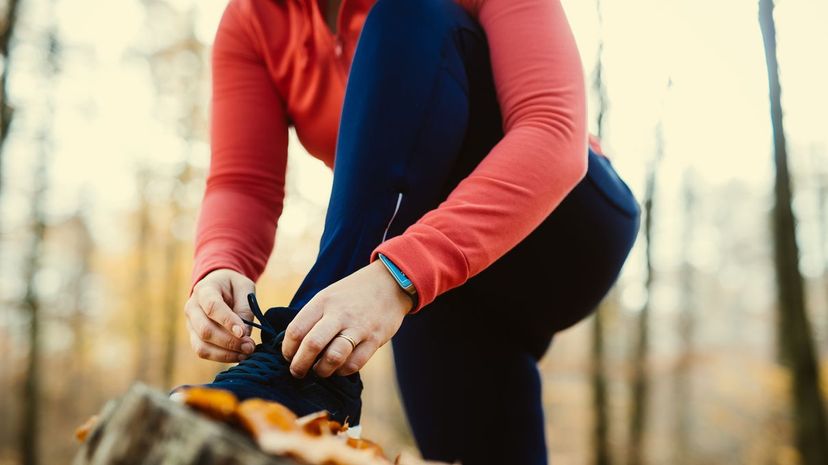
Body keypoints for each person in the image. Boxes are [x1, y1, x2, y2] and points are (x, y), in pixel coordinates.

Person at [179, 0, 640, 463]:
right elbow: (243, 182)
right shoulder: (253, 19)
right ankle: (314, 373)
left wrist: (395, 277)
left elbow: (552, 133)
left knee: (410, 10)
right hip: (435, 281)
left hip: (560, 233)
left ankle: (307, 373)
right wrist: (220, 264)